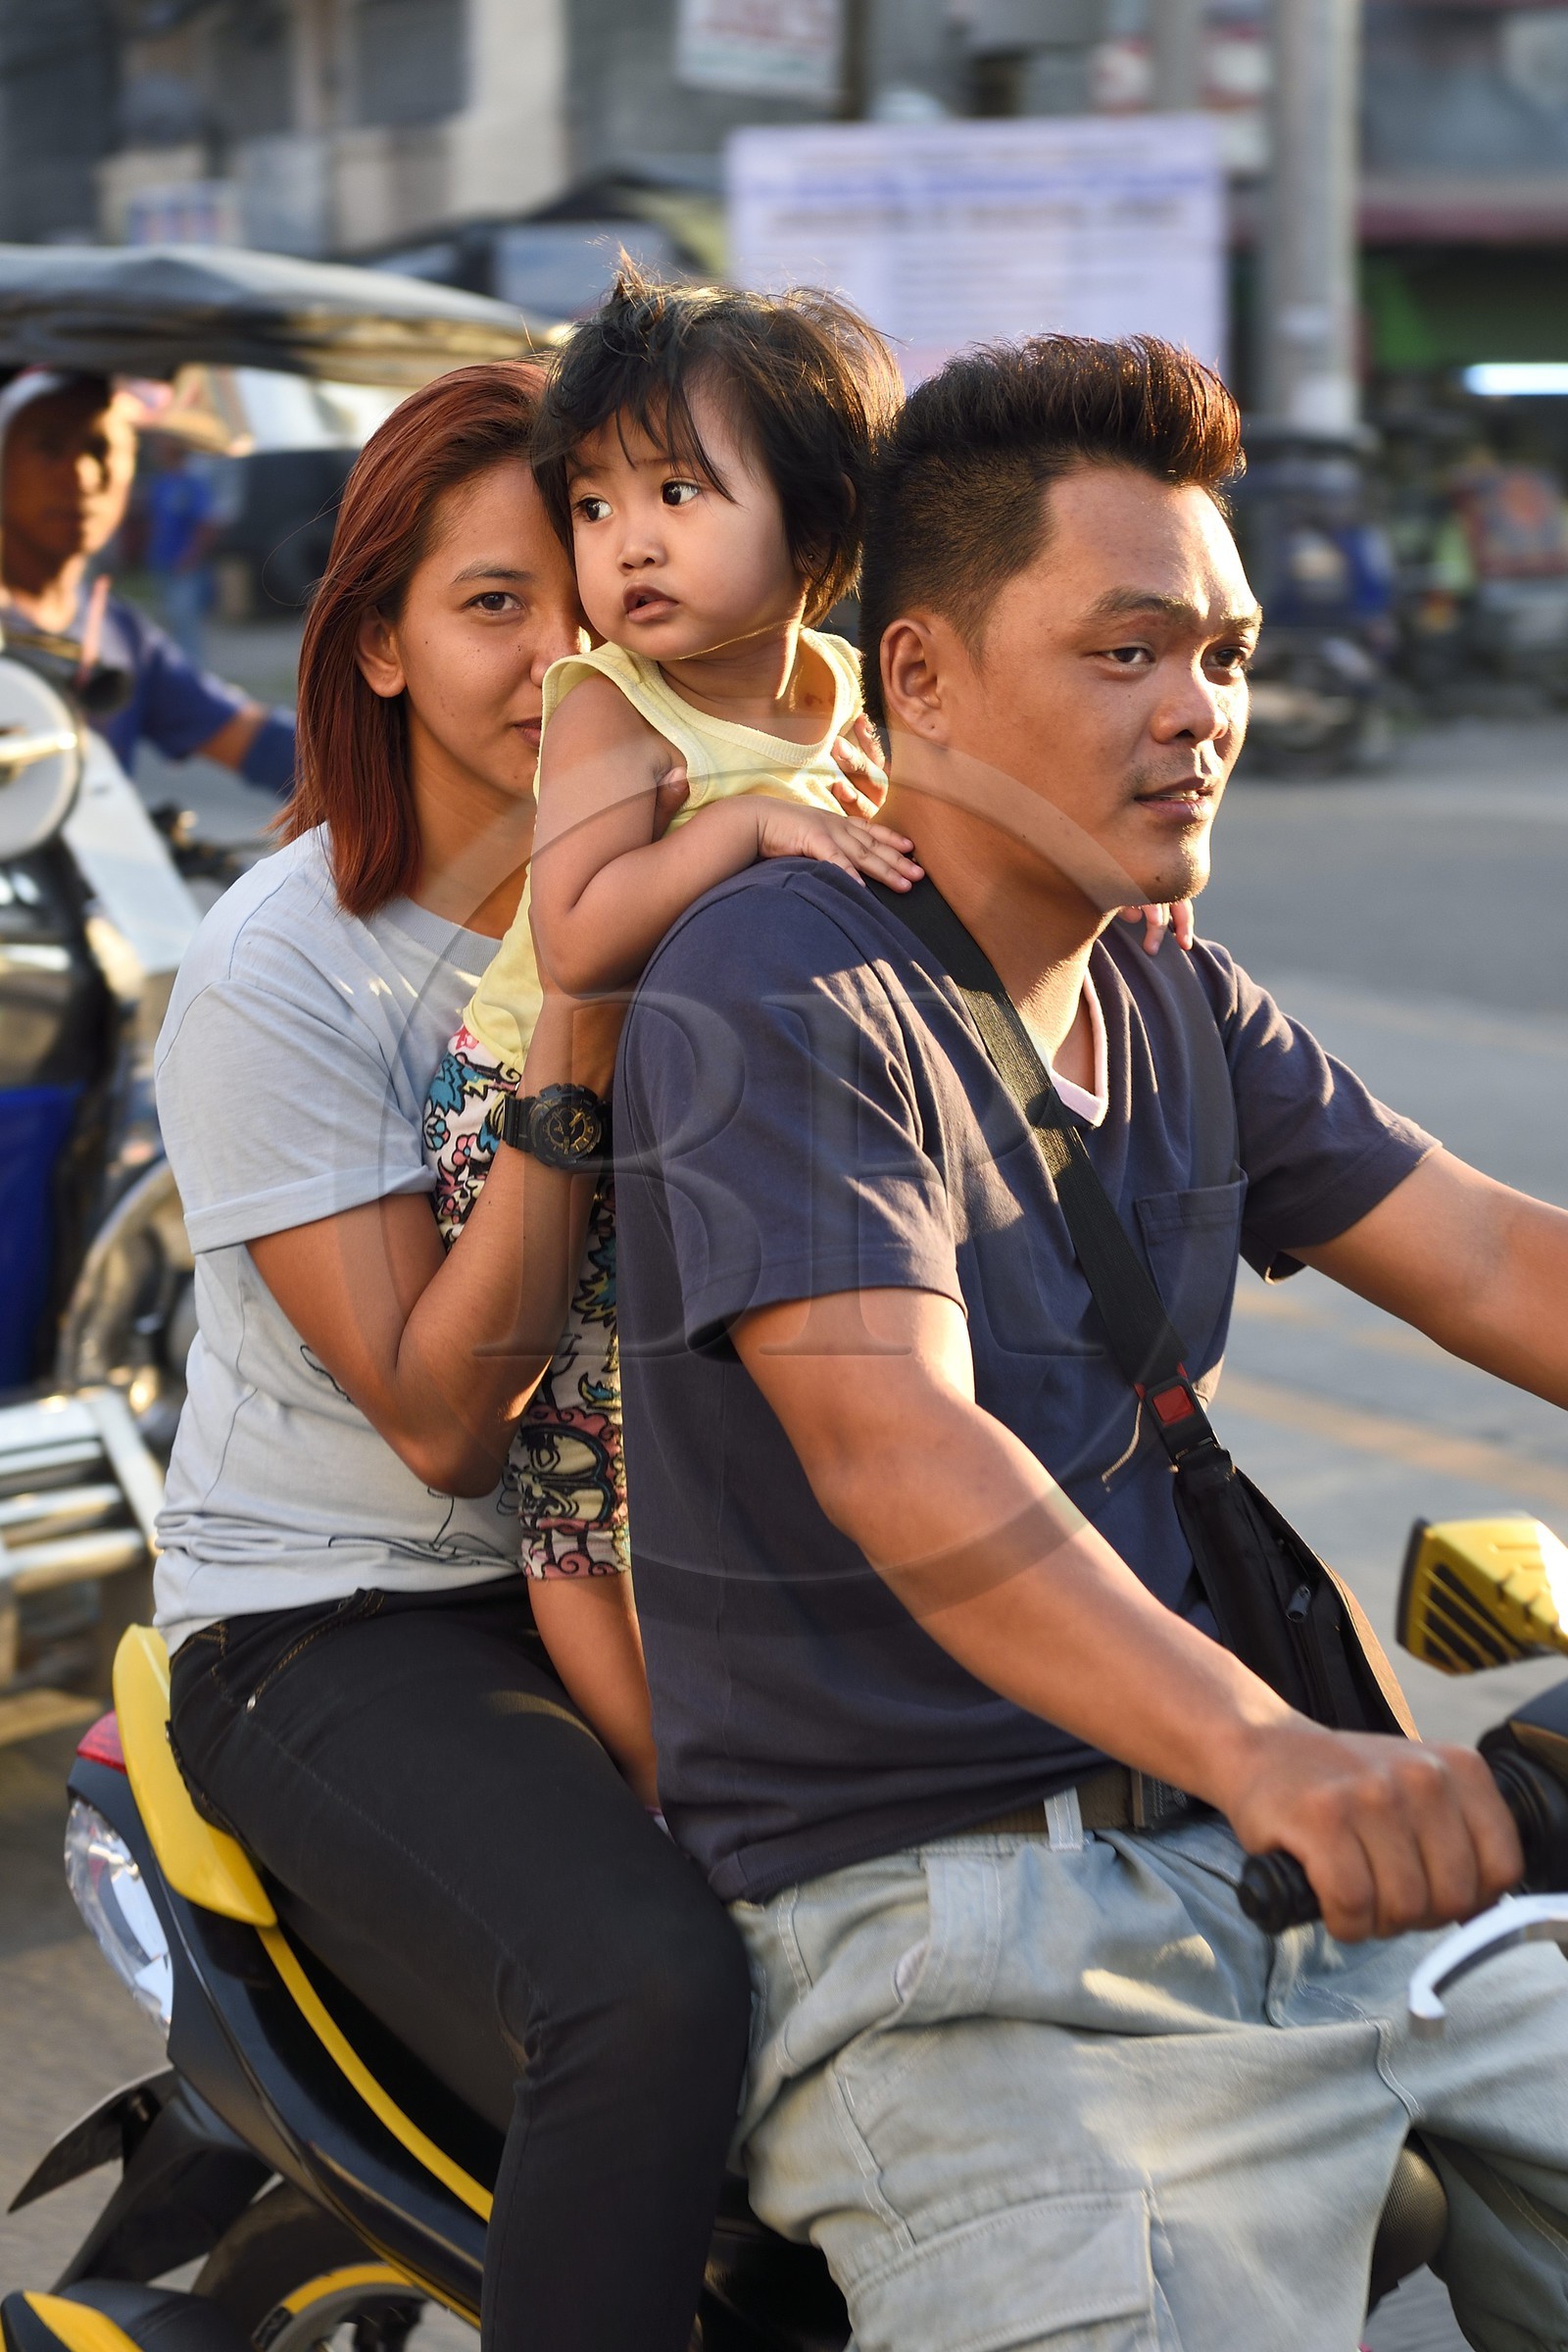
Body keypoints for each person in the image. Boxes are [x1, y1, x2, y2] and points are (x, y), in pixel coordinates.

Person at [612, 334, 1568, 2350]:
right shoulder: (777, 985)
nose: (1198, 712)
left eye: (1217, 654)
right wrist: (1268, 1748)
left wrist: (1277, 1789)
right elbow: (894, 1444)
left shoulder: (1167, 992)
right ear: (925, 683)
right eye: (1125, 651)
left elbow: (1491, 1259)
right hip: (948, 1957)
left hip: (1291, 1894)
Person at [153, 361, 752, 2352]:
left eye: (581, 593)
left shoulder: (710, 879)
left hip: (653, 1572)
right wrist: (576, 1016)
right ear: (381, 647)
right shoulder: (279, 970)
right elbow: (436, 1421)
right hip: (341, 1621)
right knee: (650, 1981)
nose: (559, 652)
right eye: (489, 603)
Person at [420, 271, 918, 1768]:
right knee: (581, 1489)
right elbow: (575, 934)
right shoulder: (608, 706)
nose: (626, 541)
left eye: (681, 491)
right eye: (592, 505)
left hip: (707, 1128)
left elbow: (924, 858)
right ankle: (667, 1786)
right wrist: (746, 822)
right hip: (536, 1123)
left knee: (718, 1447)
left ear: (821, 529)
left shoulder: (840, 690)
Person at [0, 368, 294, 793]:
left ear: (129, 471)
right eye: (49, 448)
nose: (82, 475)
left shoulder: (119, 634)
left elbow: (254, 742)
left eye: (101, 450)